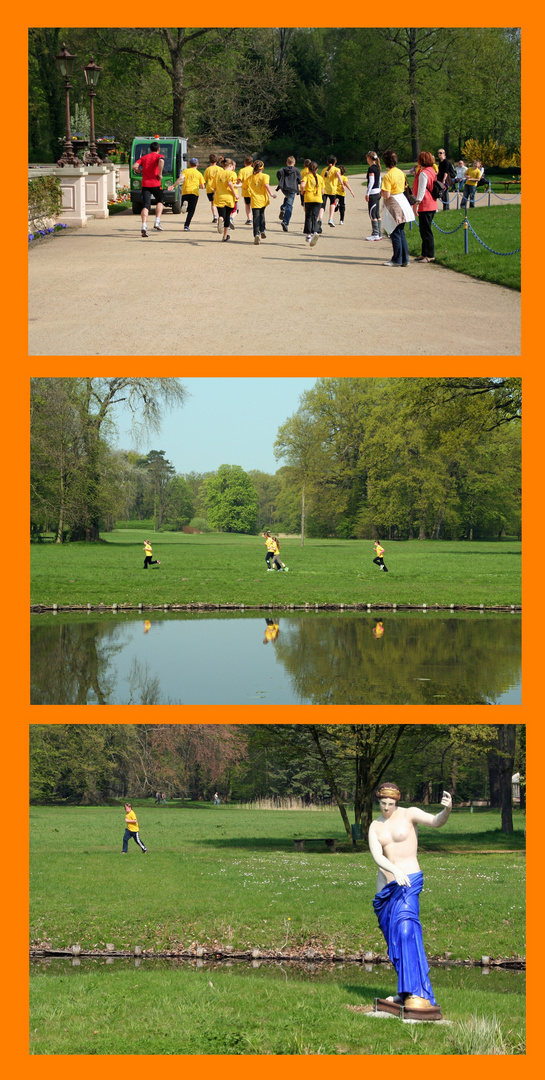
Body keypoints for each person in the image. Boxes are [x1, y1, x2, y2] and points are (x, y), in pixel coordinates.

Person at [368, 782, 452, 1008]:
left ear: (397, 802)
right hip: (386, 890)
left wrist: (447, 810)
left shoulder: (409, 814)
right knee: (394, 941)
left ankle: (418, 991)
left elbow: (436, 822)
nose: (387, 808)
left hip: (409, 883)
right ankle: (405, 991)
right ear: (378, 801)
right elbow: (377, 855)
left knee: (406, 931)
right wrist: (395, 871)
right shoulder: (375, 826)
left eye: (391, 804)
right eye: (383, 803)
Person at [380, 151, 415, 267]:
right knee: (400, 232)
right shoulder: (400, 172)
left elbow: (387, 194)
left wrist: (381, 192)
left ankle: (397, 259)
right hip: (402, 200)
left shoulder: (388, 176)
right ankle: (405, 258)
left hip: (394, 203)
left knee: (395, 232)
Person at [133, 140, 165, 238]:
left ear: (150, 149)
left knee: (146, 205)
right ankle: (157, 221)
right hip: (156, 183)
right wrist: (160, 173)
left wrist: (139, 171)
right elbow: (161, 161)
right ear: (158, 149)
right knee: (160, 201)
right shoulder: (159, 156)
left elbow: (134, 166)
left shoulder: (144, 157)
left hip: (145, 184)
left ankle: (144, 225)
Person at [412, 151, 438, 263]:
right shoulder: (431, 171)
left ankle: (430, 254)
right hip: (431, 203)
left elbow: (422, 190)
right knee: (423, 230)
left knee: (426, 231)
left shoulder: (424, 173)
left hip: (426, 204)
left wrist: (417, 204)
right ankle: (424, 253)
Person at [167, 158, 205, 232]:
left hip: (186, 191)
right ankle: (186, 226)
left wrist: (173, 186)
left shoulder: (186, 171)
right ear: (197, 165)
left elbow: (181, 178)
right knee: (191, 210)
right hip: (194, 192)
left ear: (189, 164)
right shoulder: (199, 173)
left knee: (184, 205)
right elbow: (203, 186)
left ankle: (185, 205)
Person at [247, 160, 277, 245]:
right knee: (262, 214)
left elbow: (245, 187)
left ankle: (256, 234)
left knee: (255, 217)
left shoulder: (250, 178)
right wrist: (271, 194)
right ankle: (262, 230)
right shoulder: (265, 176)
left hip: (254, 200)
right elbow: (266, 185)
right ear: (262, 168)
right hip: (263, 199)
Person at [212, 159, 238, 242]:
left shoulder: (218, 174)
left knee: (221, 214)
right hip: (229, 197)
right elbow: (230, 183)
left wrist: (214, 194)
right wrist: (235, 194)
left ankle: (220, 218)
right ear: (230, 166)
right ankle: (224, 236)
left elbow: (214, 187)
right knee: (228, 216)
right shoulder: (232, 173)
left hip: (219, 197)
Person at [300, 162, 325, 247]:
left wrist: (302, 191)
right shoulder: (320, 178)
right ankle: (315, 231)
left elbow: (302, 185)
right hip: (318, 199)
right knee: (315, 216)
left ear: (308, 169)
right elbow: (323, 191)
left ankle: (308, 235)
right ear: (317, 169)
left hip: (309, 198)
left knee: (308, 216)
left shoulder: (306, 176)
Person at [276, 156, 302, 232]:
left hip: (284, 187)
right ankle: (285, 222)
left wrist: (281, 180)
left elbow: (278, 173)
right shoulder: (296, 170)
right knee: (290, 205)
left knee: (287, 198)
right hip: (292, 188)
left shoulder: (283, 169)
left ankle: (283, 207)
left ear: (287, 163)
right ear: (294, 163)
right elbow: (300, 180)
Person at [320, 156, 344, 229]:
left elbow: (321, 179)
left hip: (324, 190)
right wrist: (342, 184)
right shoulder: (336, 169)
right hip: (332, 190)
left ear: (327, 162)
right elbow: (339, 176)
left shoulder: (324, 170)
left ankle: (320, 219)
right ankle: (331, 218)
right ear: (335, 162)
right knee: (332, 203)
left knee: (322, 205)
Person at [364, 151, 382, 240]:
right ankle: (379, 233)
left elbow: (371, 182)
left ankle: (375, 234)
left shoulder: (371, 169)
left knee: (372, 214)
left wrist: (367, 193)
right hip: (378, 192)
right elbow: (379, 181)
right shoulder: (377, 168)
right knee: (377, 213)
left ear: (369, 158)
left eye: (367, 158)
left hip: (373, 193)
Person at [203, 154, 221, 224]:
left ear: (209, 160)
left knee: (213, 203)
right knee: (219, 203)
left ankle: (215, 216)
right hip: (218, 187)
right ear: (216, 160)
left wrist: (202, 185)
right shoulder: (220, 169)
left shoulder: (208, 169)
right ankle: (221, 216)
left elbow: (204, 180)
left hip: (210, 187)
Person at [238, 156, 254, 225]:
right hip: (254, 190)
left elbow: (239, 180)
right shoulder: (254, 169)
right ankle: (255, 218)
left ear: (244, 163)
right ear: (252, 163)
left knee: (247, 205)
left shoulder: (242, 170)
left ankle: (249, 219)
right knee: (254, 205)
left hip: (246, 190)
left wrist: (237, 183)